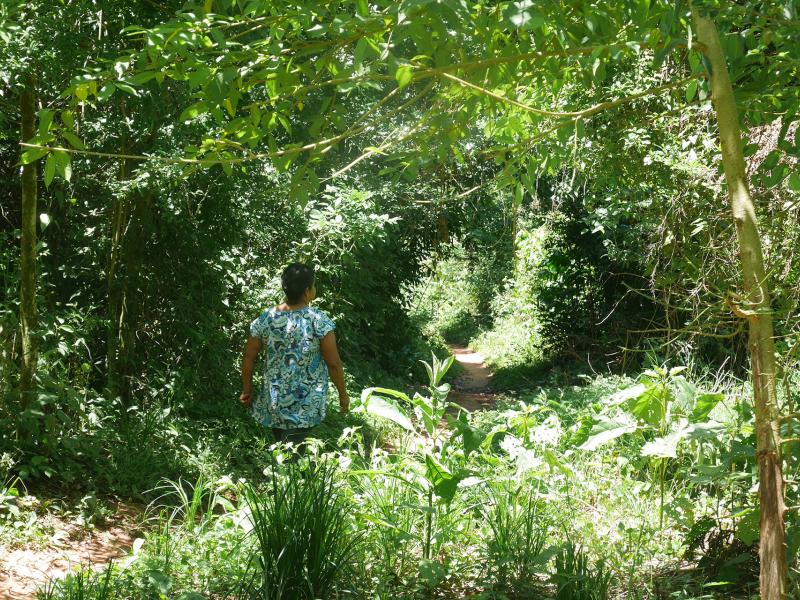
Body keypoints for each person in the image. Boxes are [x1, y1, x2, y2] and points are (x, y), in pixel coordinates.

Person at [239, 263, 349, 446]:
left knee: (284, 446)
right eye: (313, 286)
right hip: (305, 401)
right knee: (294, 452)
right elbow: (334, 363)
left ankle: (284, 470)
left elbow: (248, 356)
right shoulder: (318, 321)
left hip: (275, 399)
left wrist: (247, 389)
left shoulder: (267, 318)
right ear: (307, 291)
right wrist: (343, 396)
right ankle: (288, 472)